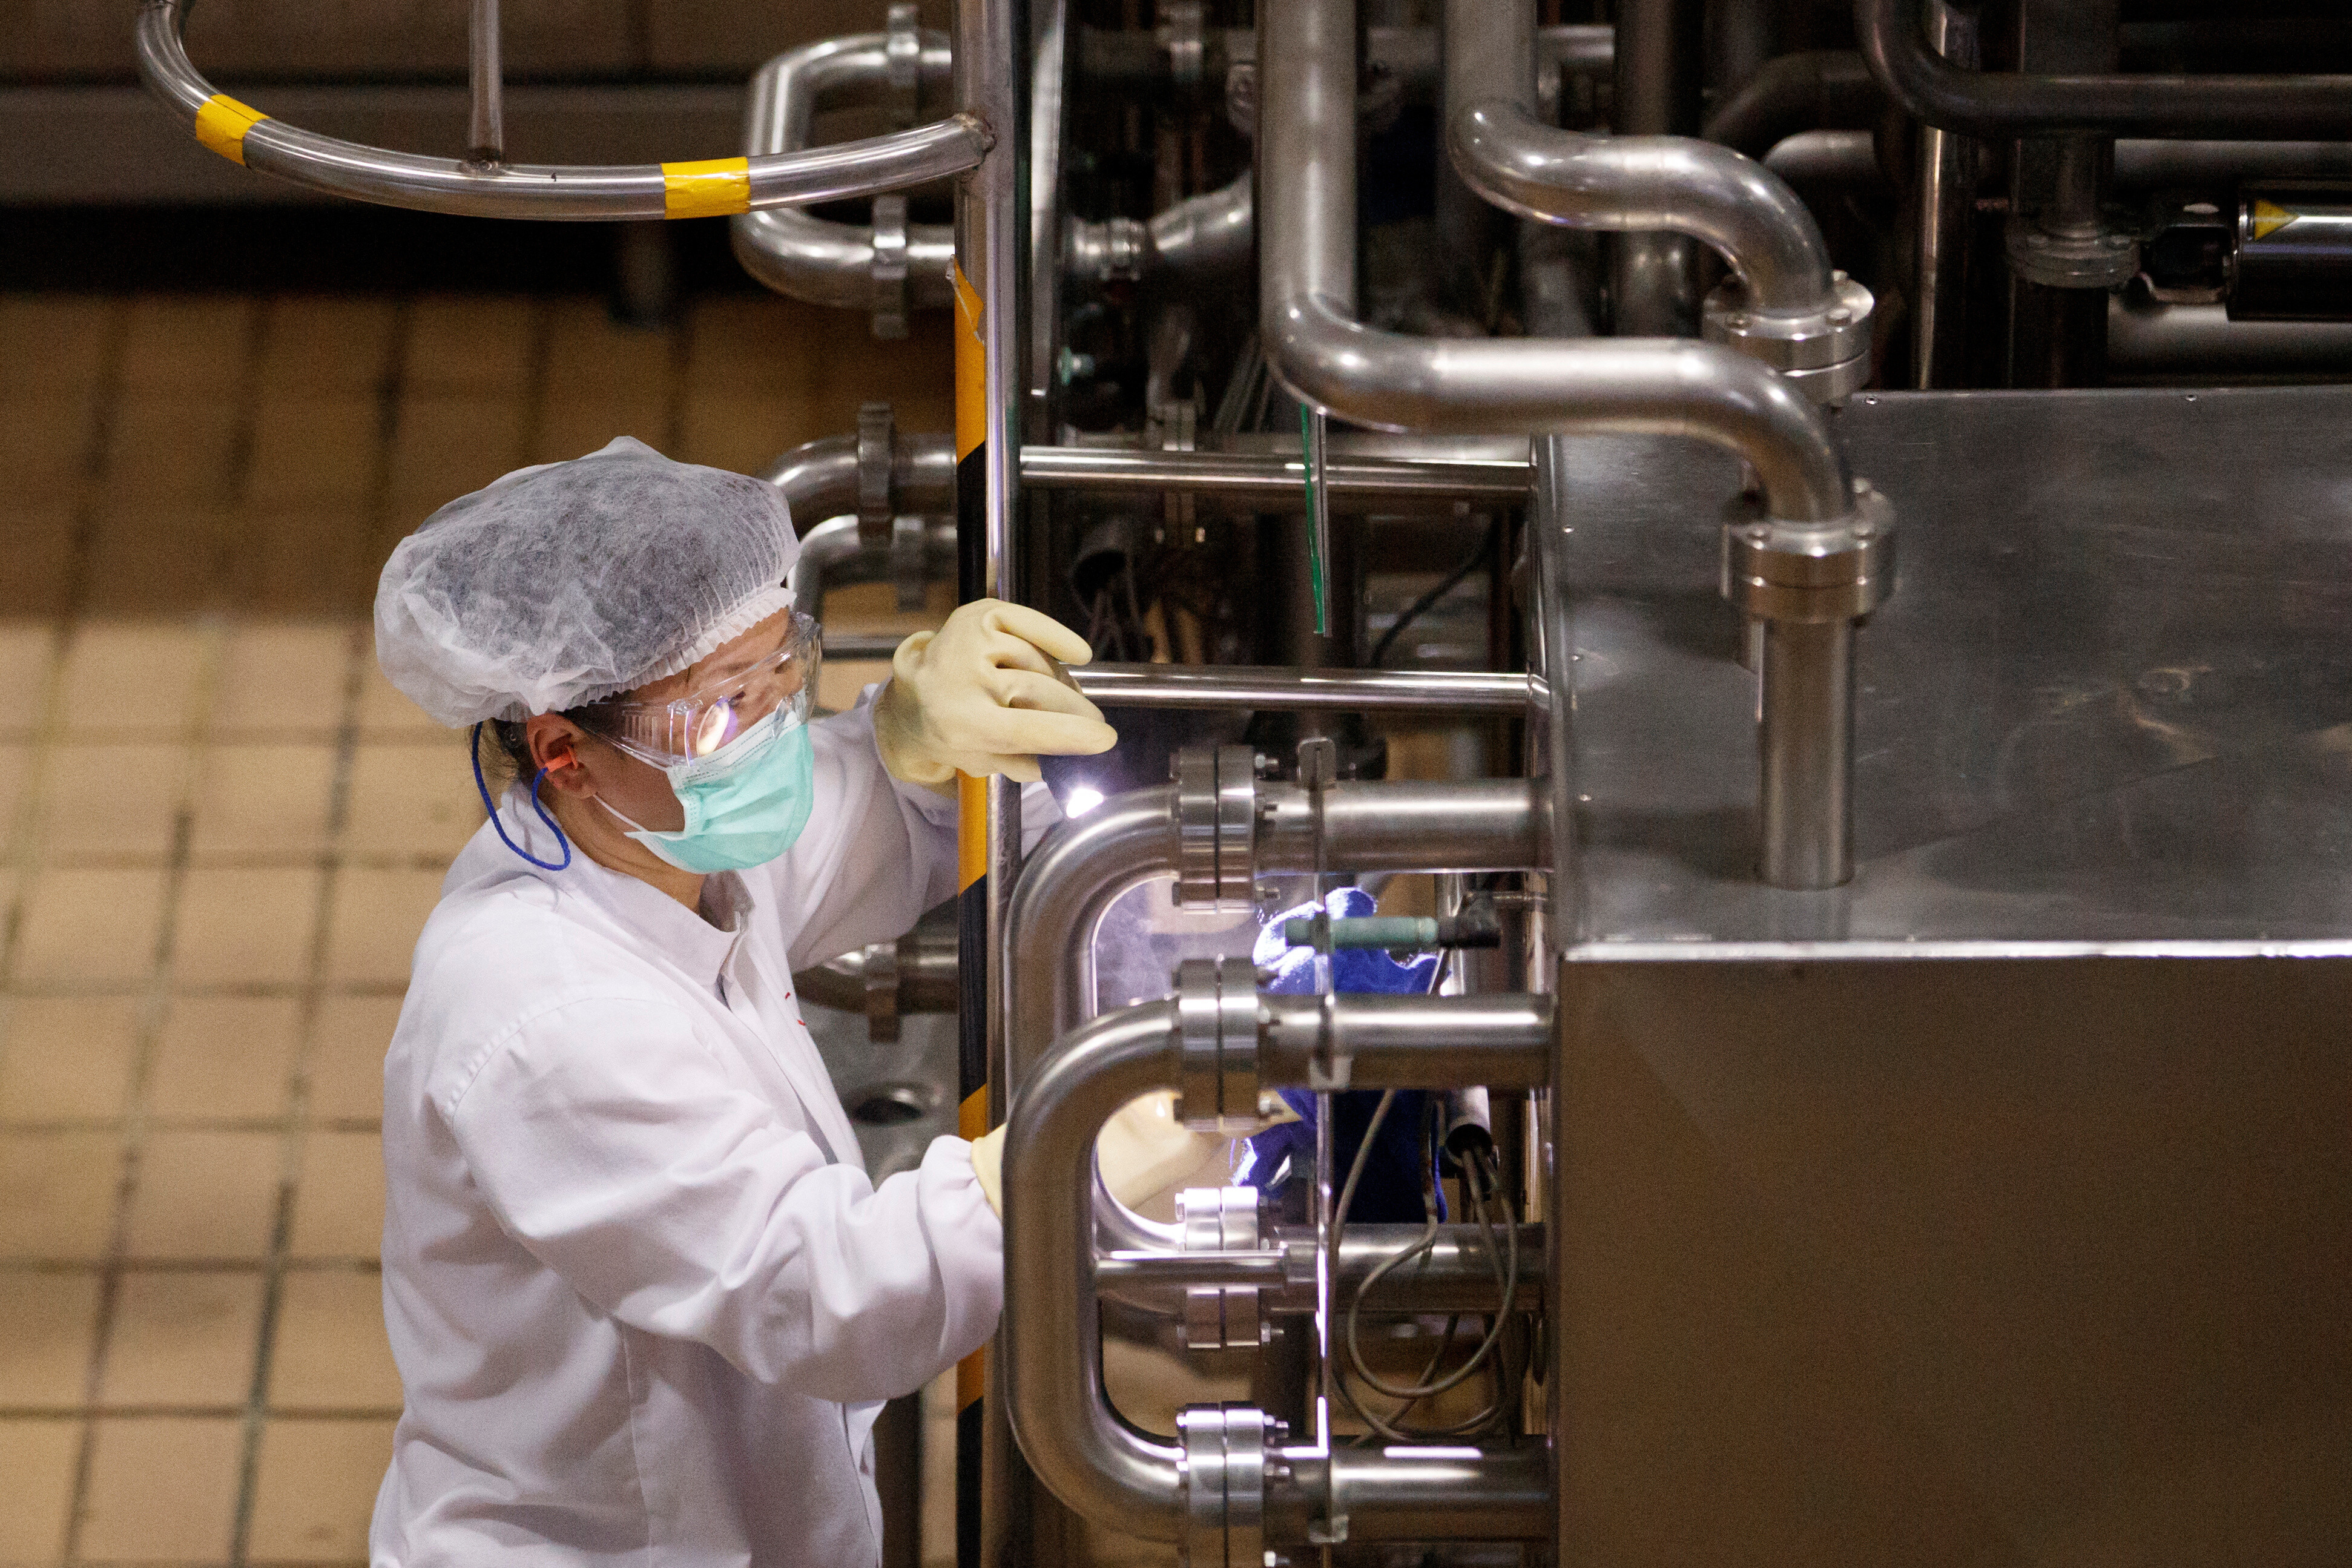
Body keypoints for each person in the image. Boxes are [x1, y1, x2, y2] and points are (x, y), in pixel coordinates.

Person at [364, 437, 1119, 1567]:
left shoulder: (649, 846)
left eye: (781, 674)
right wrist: (1072, 1151)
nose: (769, 732)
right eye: (723, 709)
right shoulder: (545, 1022)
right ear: (564, 750)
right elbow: (829, 1296)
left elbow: (836, 837)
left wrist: (908, 741)